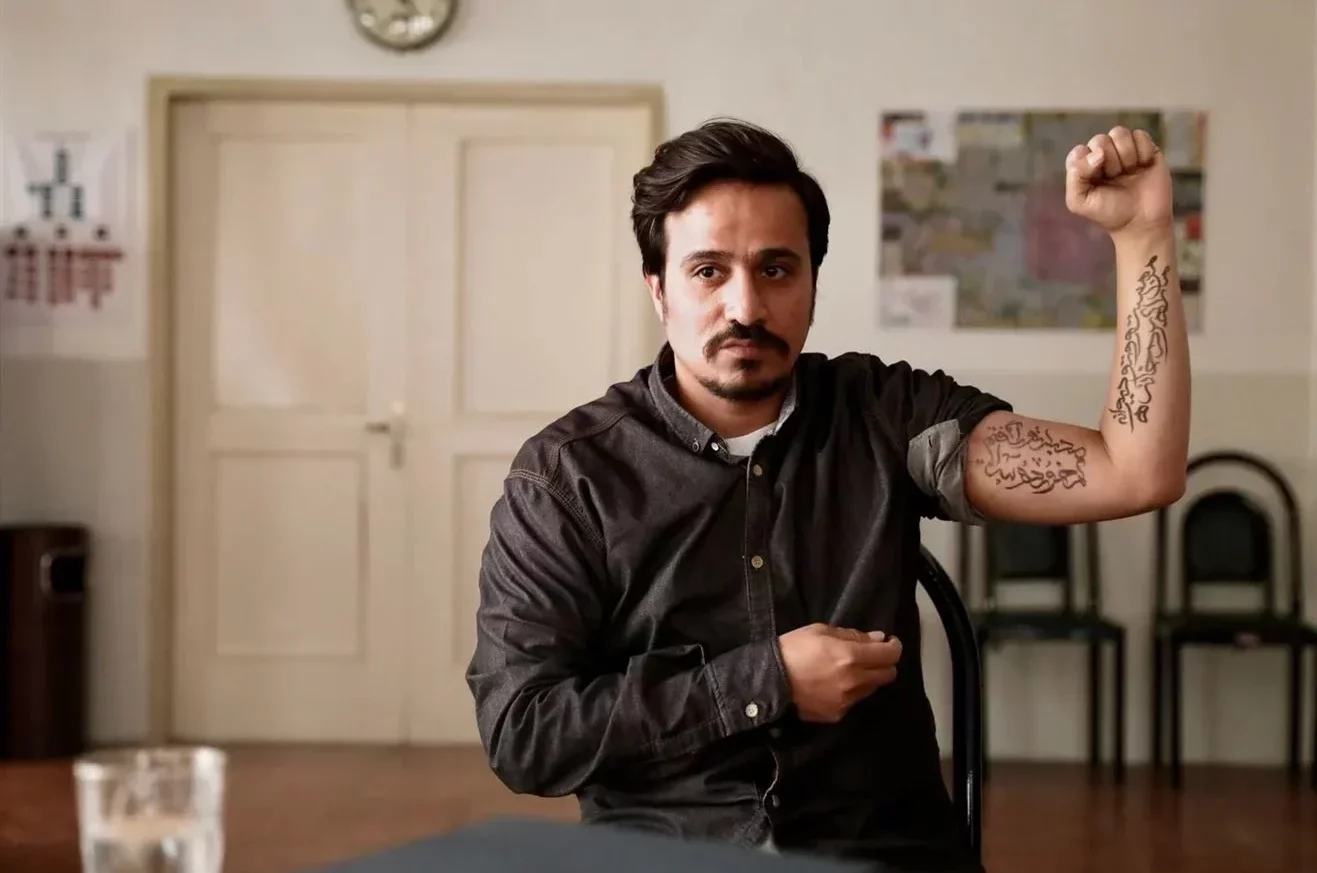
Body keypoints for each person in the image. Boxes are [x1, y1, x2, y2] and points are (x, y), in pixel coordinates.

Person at [466, 118, 1190, 872]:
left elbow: (1135, 470)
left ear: (813, 281)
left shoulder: (888, 416)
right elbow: (524, 733)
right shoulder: (569, 477)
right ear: (659, 289)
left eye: (776, 269)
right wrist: (765, 682)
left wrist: (1143, 236)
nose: (746, 308)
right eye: (708, 271)